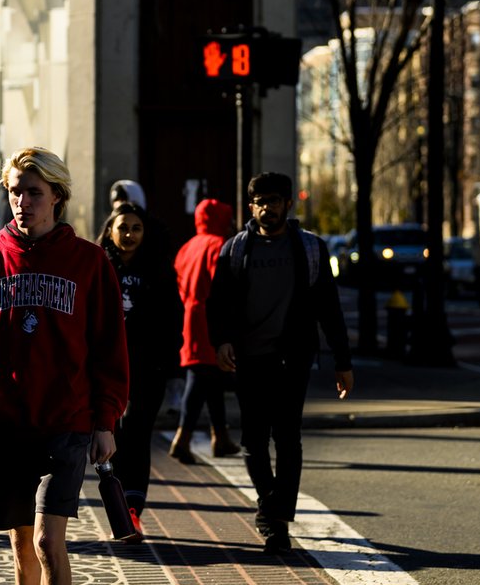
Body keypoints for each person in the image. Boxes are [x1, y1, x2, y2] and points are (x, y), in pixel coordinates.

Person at [0, 146, 129, 585]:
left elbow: (109, 349)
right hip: (5, 425)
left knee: (49, 542)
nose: (22, 202)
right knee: (21, 545)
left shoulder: (89, 262)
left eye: (33, 192)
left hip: (66, 421)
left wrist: (105, 420)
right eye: (14, 192)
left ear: (57, 196)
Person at [206, 172, 353, 554]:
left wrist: (342, 360)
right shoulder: (235, 250)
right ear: (250, 206)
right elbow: (217, 302)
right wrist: (220, 341)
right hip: (249, 358)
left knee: (288, 439)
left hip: (293, 358)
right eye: (259, 202)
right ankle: (271, 507)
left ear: (289, 204)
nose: (265, 208)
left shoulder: (311, 249)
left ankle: (275, 518)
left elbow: (329, 308)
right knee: (253, 442)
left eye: (273, 201)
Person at [96, 201, 182, 540]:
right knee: (112, 436)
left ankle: (132, 509)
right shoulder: (98, 266)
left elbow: (174, 319)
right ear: (110, 231)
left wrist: (169, 362)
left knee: (137, 433)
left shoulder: (158, 269)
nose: (129, 234)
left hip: (148, 368)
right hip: (106, 368)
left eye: (136, 228)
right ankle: (119, 505)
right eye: (123, 228)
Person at [169, 198, 241, 464]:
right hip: (212, 318)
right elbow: (225, 287)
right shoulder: (220, 245)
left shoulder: (188, 246)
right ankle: (183, 437)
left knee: (209, 378)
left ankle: (219, 437)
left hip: (191, 315)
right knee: (201, 379)